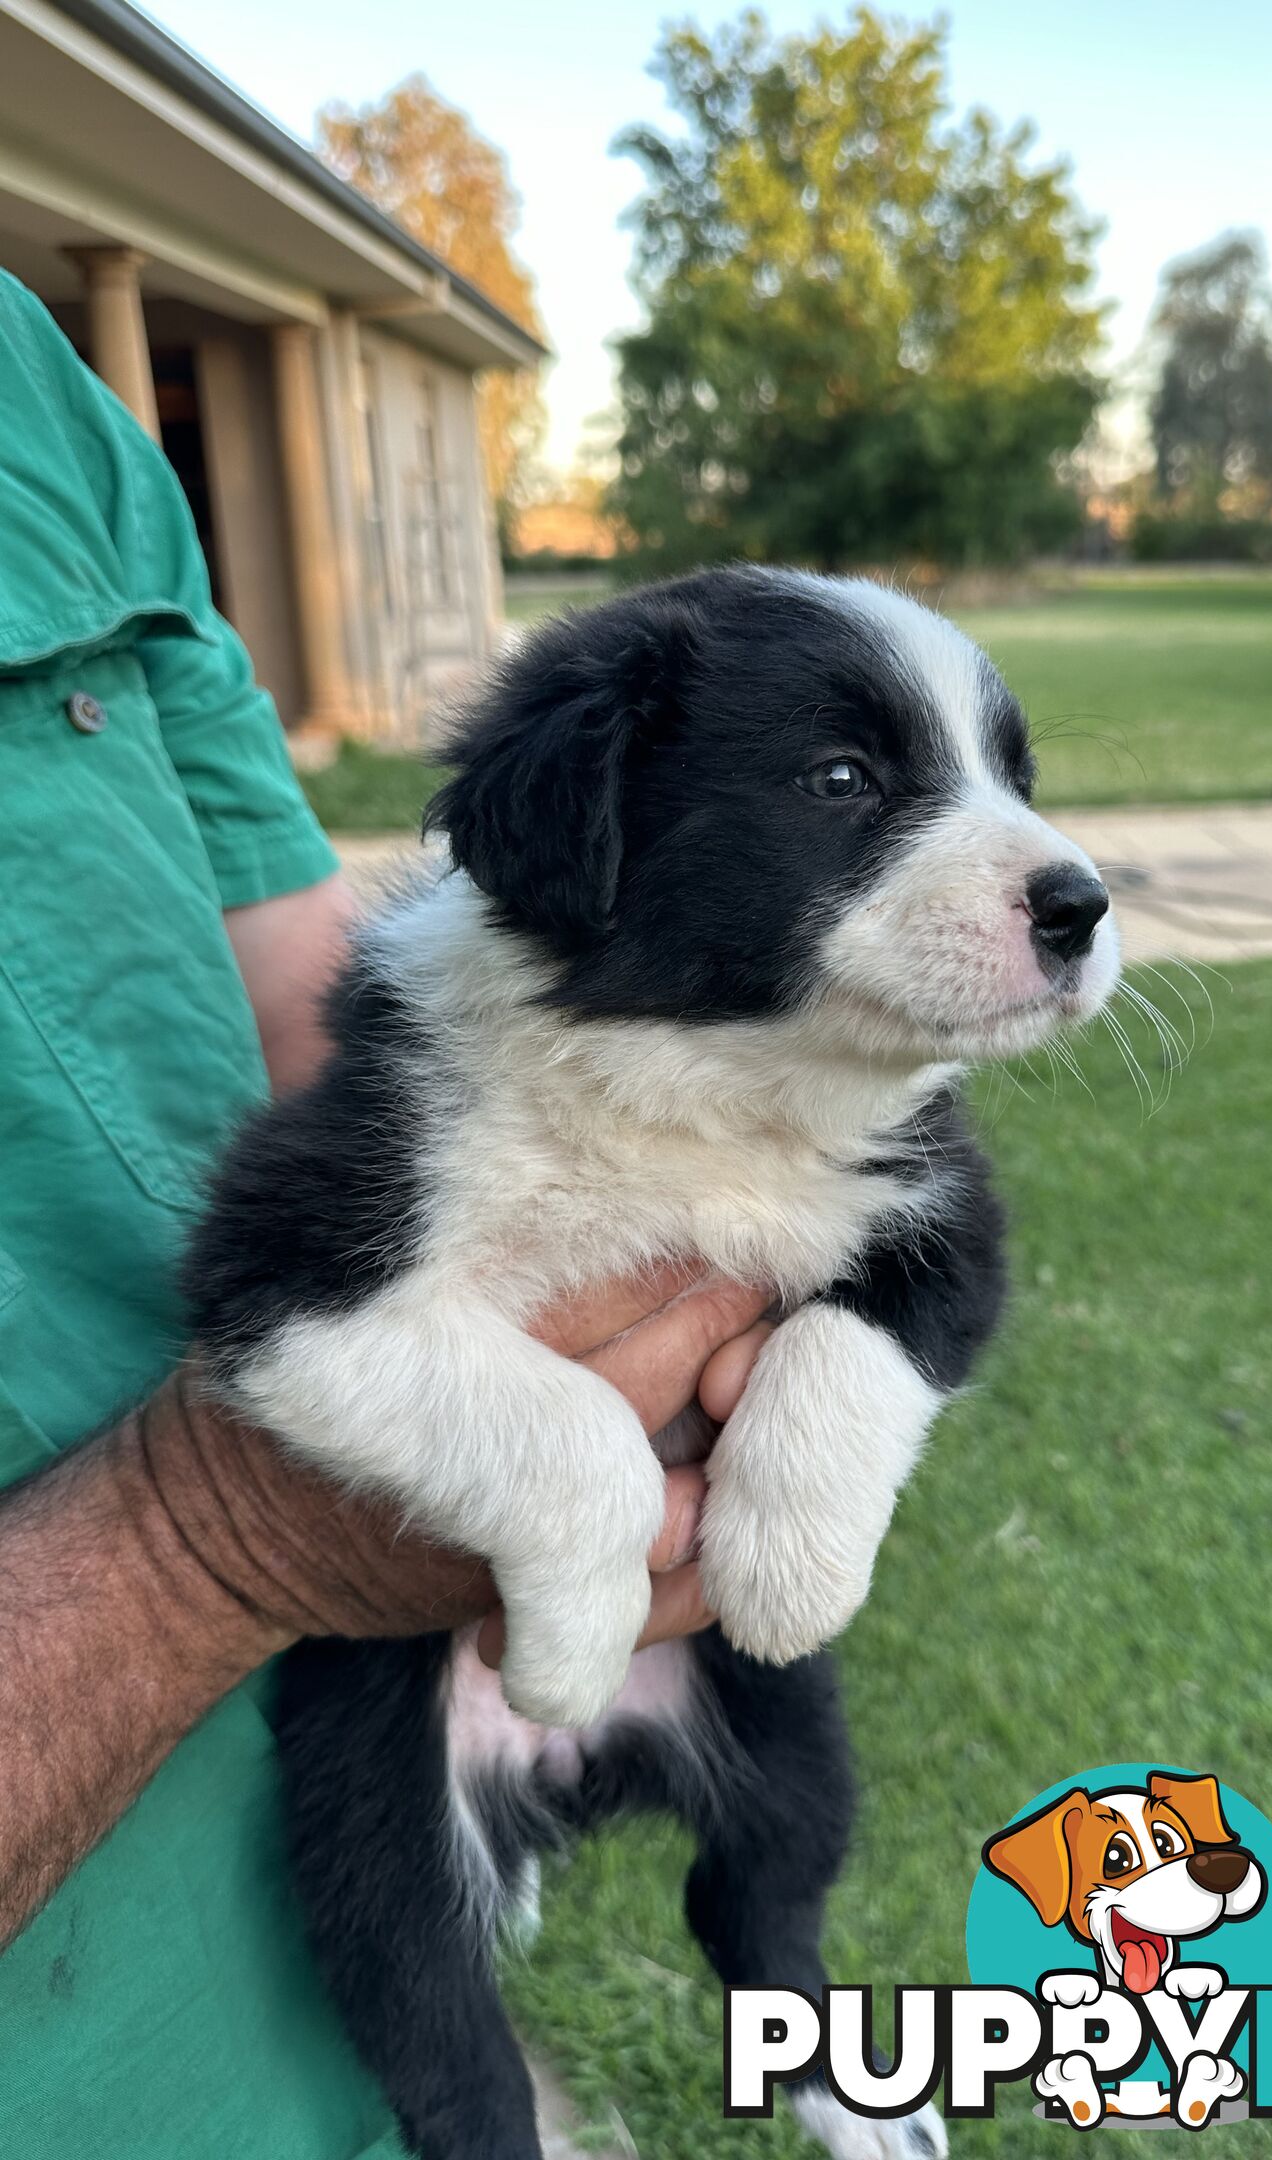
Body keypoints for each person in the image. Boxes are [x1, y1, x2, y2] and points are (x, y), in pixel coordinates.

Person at [0, 270, 769, 2158]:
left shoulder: (29, 375)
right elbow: (264, 1455)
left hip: (313, 1990)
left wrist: (680, 1156)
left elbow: (325, 1007)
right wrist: (205, 1543)